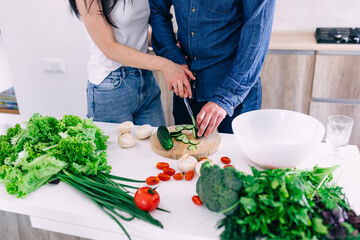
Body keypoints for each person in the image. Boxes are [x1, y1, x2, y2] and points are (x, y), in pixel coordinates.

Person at [149, 0, 276, 136]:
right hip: (186, 86)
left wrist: (226, 97)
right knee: (186, 156)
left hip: (235, 94)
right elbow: (157, 11)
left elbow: (257, 31)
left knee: (235, 156)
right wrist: (173, 57)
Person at [68, 0, 195, 126]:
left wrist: (169, 48)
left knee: (155, 145)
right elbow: (109, 48)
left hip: (146, 78)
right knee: (114, 146)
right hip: (111, 85)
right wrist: (165, 64)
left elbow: (136, 32)